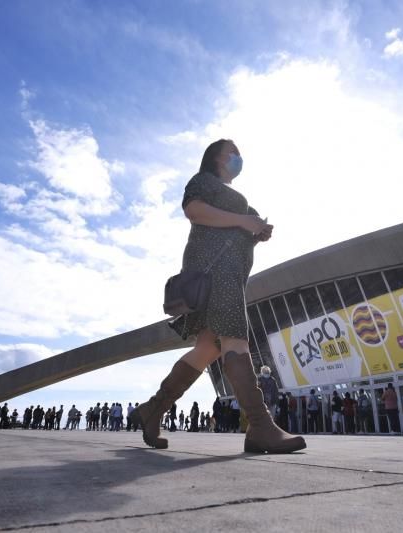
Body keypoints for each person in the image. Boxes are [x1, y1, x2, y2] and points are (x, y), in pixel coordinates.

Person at [129, 140, 304, 454]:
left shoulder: (235, 198)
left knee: (207, 348)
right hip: (216, 275)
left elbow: (235, 230)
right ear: (215, 158)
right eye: (232, 151)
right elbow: (193, 210)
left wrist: (257, 231)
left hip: (229, 274)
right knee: (236, 339)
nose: (238, 156)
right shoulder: (203, 182)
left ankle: (153, 410)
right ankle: (260, 426)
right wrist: (243, 220)